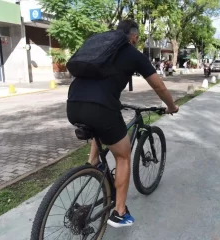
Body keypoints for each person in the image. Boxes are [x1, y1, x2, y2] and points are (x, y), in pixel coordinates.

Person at [66, 20, 179, 228]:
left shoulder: (100, 48)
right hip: (101, 109)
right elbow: (159, 86)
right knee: (123, 154)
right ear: (133, 37)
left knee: (103, 126)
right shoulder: (133, 54)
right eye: (137, 38)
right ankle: (119, 212)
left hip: (73, 104)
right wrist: (171, 106)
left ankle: (93, 164)